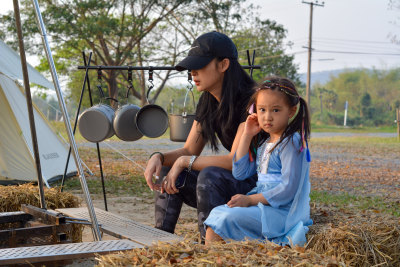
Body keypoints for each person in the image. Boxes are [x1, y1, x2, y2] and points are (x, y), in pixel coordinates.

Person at [143, 31, 257, 240]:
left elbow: (235, 162)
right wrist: (158, 157)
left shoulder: (252, 100)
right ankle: (160, 239)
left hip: (255, 189)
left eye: (200, 66)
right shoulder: (208, 99)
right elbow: (188, 150)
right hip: (231, 184)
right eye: (191, 67)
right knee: (169, 166)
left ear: (223, 65)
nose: (193, 73)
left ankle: (209, 244)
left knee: (209, 174)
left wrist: (185, 161)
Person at [204, 76, 313, 247]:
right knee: (219, 214)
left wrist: (250, 200)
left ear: (291, 111)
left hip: (282, 212)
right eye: (262, 110)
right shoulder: (264, 144)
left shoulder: (291, 142)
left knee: (225, 218)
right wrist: (247, 135)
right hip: (264, 206)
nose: (267, 117)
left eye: (275, 110)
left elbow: (288, 189)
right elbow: (239, 173)